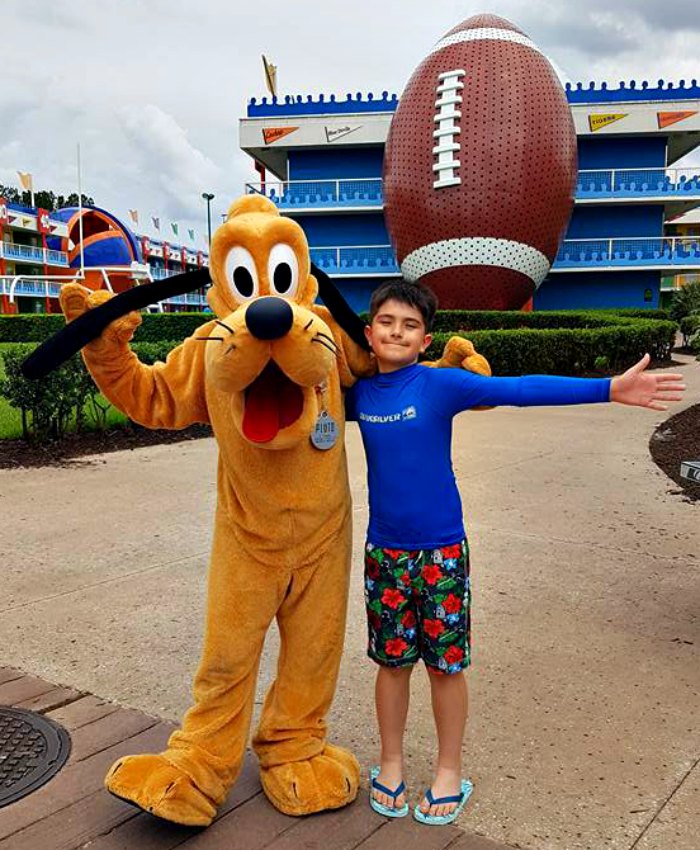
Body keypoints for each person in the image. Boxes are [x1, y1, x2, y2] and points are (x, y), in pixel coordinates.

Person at [344, 280, 686, 826]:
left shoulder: (440, 385)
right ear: (368, 331)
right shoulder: (357, 393)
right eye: (386, 322)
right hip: (384, 553)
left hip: (440, 554)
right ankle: (390, 763)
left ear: (425, 339)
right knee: (390, 665)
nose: (396, 332)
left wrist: (606, 389)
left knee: (445, 668)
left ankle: (449, 770)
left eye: (409, 325)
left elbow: (521, 388)